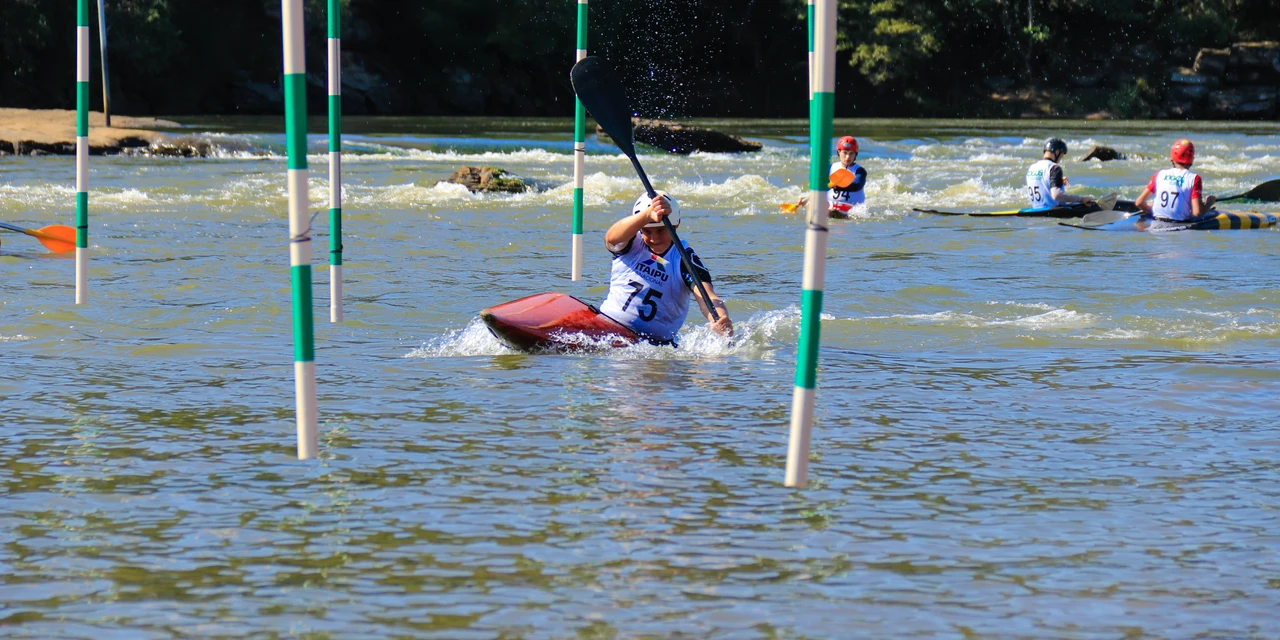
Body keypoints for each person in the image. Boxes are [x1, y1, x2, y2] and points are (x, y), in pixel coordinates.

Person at [600, 192, 733, 345]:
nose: (654, 238)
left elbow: (707, 295)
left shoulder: (684, 259)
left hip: (652, 343)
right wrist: (647, 215)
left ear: (675, 226)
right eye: (647, 231)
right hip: (607, 324)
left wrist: (720, 318)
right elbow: (611, 238)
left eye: (661, 230)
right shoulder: (630, 243)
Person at [1135, 139, 1216, 224]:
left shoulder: (1159, 174)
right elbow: (1197, 213)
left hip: (1156, 224)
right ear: (1192, 159)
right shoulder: (1195, 179)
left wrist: (1153, 208)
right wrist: (1209, 203)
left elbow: (1139, 203)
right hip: (1180, 227)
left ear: (1172, 158)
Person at [796, 135, 869, 214]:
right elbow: (821, 187)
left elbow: (857, 185)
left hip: (852, 209)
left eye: (851, 153)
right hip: (831, 205)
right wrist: (807, 198)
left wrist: (838, 185)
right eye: (845, 152)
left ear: (855, 155)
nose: (848, 157)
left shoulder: (860, 171)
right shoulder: (830, 168)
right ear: (839, 152)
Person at [1025, 138, 1095, 208]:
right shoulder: (1054, 168)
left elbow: (1041, 183)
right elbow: (1056, 195)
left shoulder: (1032, 168)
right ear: (1057, 152)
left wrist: (1058, 180)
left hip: (1036, 210)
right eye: (1061, 155)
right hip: (1054, 212)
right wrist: (1081, 199)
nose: (1061, 158)